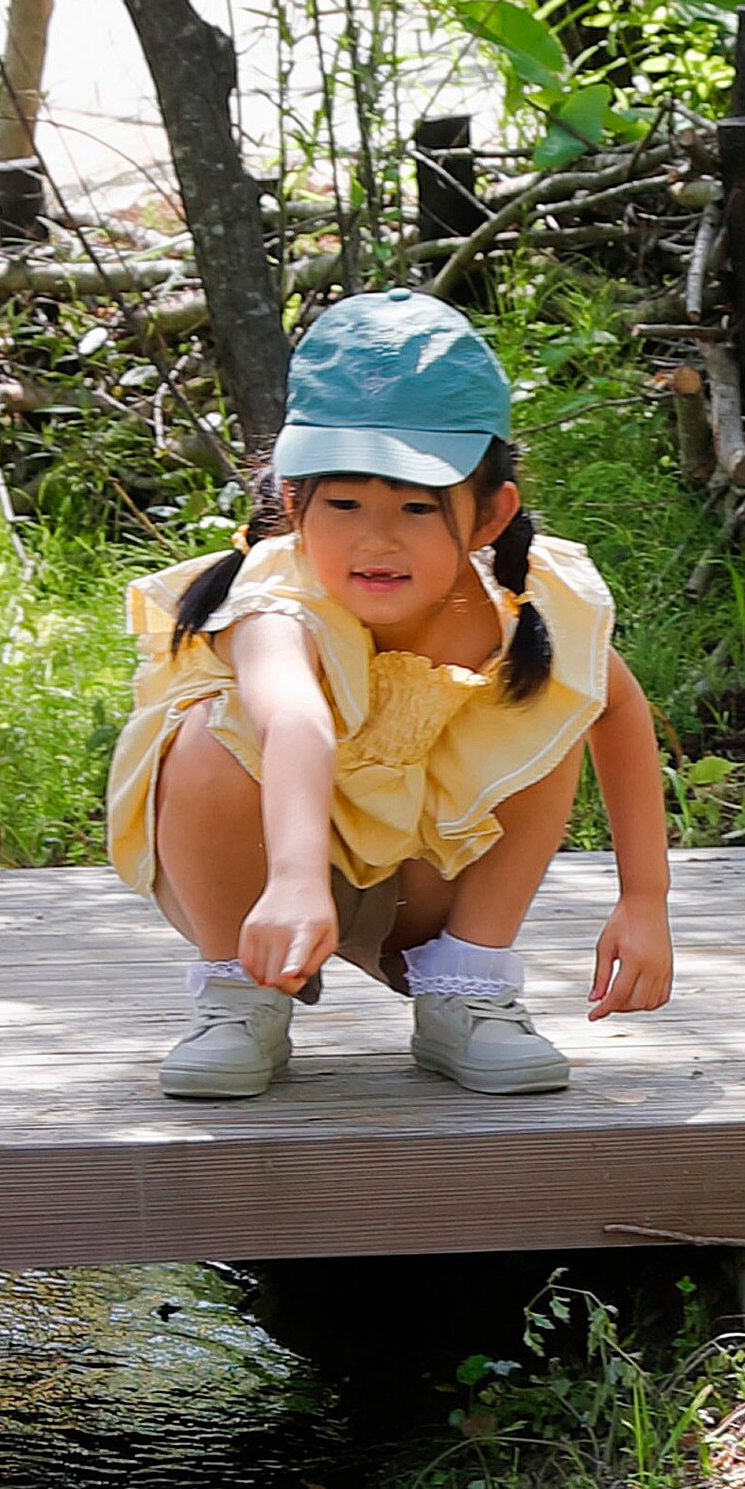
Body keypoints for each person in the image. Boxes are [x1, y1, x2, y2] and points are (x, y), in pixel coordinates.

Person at [107, 291, 676, 1098]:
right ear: (294, 502)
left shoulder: (523, 609)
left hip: (421, 878)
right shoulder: (275, 601)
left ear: (489, 515)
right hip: (268, 879)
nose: (376, 539)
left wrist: (643, 899)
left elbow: (618, 709)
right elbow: (294, 719)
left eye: (415, 507)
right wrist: (297, 881)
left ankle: (465, 989)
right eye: (343, 504)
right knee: (210, 733)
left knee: (548, 706)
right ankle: (240, 999)